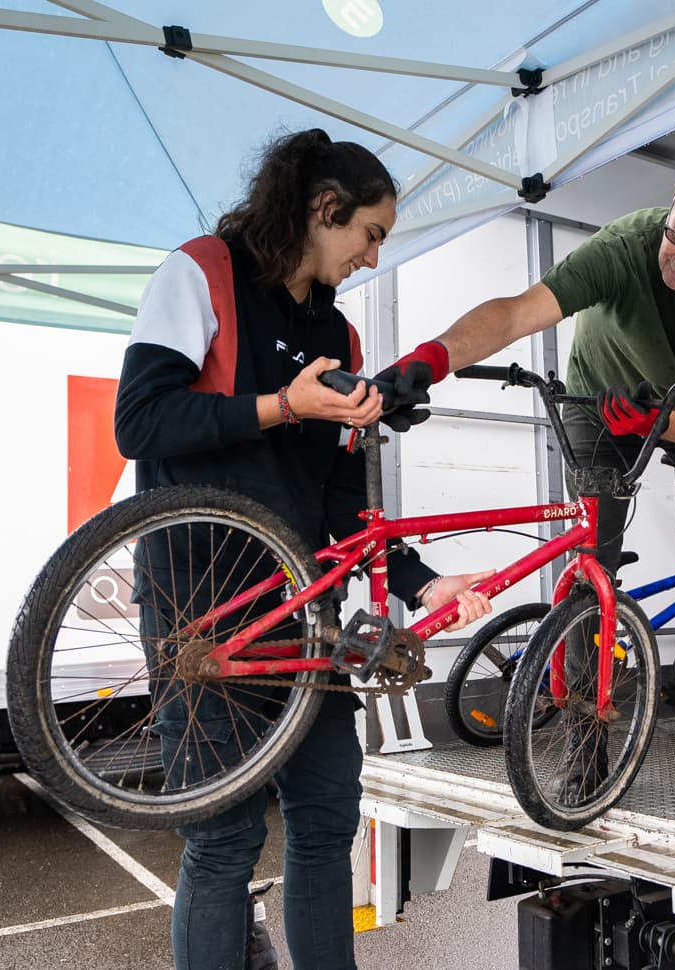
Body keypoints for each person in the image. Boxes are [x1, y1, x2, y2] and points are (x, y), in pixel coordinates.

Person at [113, 128, 492, 970]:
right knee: (223, 837)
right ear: (324, 209)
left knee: (326, 820)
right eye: (371, 233)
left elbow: (334, 499)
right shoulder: (201, 271)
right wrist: (282, 405)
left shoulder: (340, 337)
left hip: (304, 603)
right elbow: (139, 423)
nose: (371, 254)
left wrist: (421, 583)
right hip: (199, 599)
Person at [376, 157, 675, 806]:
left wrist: (660, 416)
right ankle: (587, 749)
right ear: (673, 198)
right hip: (598, 404)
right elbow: (517, 313)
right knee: (589, 568)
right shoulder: (626, 245)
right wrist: (425, 362)